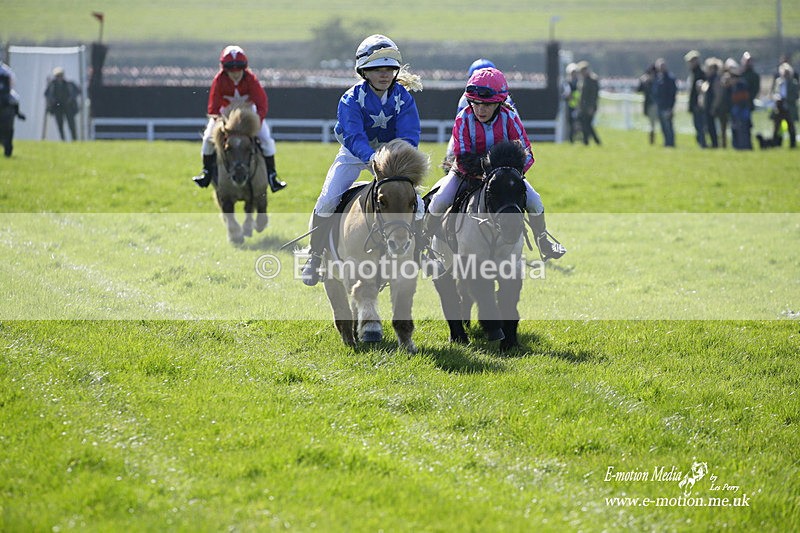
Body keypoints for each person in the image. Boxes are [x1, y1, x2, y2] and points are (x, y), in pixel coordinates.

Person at [300, 34, 424, 286]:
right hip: (355, 154)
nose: (384, 74)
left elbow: (409, 135)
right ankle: (315, 256)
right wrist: (372, 159)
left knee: (419, 204)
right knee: (328, 199)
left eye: (389, 69)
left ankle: (421, 253)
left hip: (391, 159)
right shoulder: (350, 99)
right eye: (377, 69)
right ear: (364, 71)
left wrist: (395, 160)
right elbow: (354, 137)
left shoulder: (403, 97)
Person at [425, 67, 566, 262]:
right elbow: (462, 156)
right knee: (440, 199)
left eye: (487, 105)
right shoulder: (463, 118)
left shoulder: (510, 117)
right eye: (475, 103)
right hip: (466, 174)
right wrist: (485, 174)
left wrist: (507, 175)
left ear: (499, 103)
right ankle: (424, 242)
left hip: (504, 176)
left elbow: (527, 154)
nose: (480, 110)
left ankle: (543, 241)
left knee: (535, 201)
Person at [193, 45, 286, 192]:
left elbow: (262, 104)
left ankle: (272, 176)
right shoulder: (219, 80)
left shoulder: (251, 79)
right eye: (231, 70)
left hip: (249, 116)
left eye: (239, 69)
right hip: (225, 116)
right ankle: (206, 173)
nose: (235, 73)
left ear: (244, 68)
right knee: (207, 139)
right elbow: (213, 107)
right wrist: (220, 124)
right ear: (225, 69)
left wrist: (257, 122)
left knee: (267, 140)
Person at [766, 62, 798, 148]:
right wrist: (776, 98)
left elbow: (796, 96)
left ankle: (792, 144)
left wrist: (785, 99)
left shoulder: (794, 83)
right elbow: (774, 93)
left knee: (791, 127)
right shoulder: (778, 82)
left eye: (787, 73)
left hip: (789, 108)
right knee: (777, 127)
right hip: (779, 108)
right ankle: (775, 143)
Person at [44, 67, 80, 141]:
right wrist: (52, 101)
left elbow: (78, 91)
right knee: (60, 125)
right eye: (57, 76)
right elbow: (46, 94)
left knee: (71, 124)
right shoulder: (52, 85)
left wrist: (71, 99)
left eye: (60, 75)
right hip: (57, 107)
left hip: (68, 106)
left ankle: (74, 139)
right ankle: (63, 140)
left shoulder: (69, 84)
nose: (59, 77)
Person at [726, 59, 753, 150]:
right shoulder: (732, 87)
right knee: (735, 129)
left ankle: (744, 147)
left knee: (743, 130)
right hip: (736, 112)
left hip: (742, 112)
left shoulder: (742, 85)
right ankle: (737, 146)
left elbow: (742, 100)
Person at [1, 61, 26, 157]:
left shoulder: (6, 71)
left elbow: (11, 83)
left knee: (15, 98)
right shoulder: (6, 70)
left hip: (4, 94)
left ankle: (18, 112)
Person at [684, 50, 707, 148]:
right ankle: (701, 143)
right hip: (695, 104)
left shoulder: (700, 73)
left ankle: (702, 143)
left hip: (698, 104)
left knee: (700, 125)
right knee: (698, 125)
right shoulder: (693, 73)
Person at [653, 58, 677, 147]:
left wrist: (670, 107)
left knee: (668, 126)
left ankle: (671, 143)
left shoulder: (670, 78)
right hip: (660, 106)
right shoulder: (658, 78)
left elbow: (672, 94)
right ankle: (666, 142)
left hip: (667, 106)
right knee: (663, 126)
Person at [699, 57, 722, 148]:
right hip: (708, 107)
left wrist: (714, 107)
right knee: (709, 127)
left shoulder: (716, 79)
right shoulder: (709, 79)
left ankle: (715, 144)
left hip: (712, 108)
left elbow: (718, 95)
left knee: (713, 127)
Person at [577, 61, 601, 146]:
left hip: (589, 107)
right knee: (585, 124)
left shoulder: (592, 80)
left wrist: (591, 107)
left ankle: (591, 141)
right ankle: (588, 141)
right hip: (583, 107)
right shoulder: (584, 80)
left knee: (587, 124)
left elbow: (594, 95)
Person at [636, 64, 658, 145]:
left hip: (656, 104)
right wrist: (642, 81)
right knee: (652, 124)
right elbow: (638, 90)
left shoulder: (658, 81)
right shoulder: (646, 82)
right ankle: (652, 140)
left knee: (654, 124)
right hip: (649, 104)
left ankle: (653, 139)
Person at [564, 62, 580, 143]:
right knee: (571, 123)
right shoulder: (567, 83)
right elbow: (565, 96)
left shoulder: (579, 83)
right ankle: (571, 139)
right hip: (570, 106)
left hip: (579, 106)